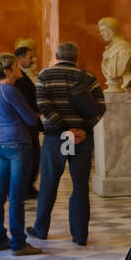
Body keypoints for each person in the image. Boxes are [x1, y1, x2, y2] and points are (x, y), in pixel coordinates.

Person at [30, 41, 105, 246]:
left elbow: (43, 106)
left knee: (49, 184)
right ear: (76, 58)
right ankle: (80, 236)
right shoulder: (88, 77)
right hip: (82, 138)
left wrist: (65, 130)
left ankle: (41, 229)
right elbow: (100, 107)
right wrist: (80, 129)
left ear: (56, 55)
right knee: (80, 186)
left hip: (57, 138)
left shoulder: (45, 76)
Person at [0, 53, 42, 256]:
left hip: (1, 144)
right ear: (8, 70)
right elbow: (29, 119)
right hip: (19, 144)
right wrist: (38, 114)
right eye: (16, 66)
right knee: (17, 196)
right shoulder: (10, 90)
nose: (20, 68)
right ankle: (19, 243)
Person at [14, 44, 40, 198]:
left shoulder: (25, 75)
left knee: (34, 157)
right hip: (26, 124)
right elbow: (26, 101)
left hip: (30, 123)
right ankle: (24, 188)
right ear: (20, 58)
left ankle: (28, 187)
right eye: (30, 57)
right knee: (30, 157)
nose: (32, 60)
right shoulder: (17, 79)